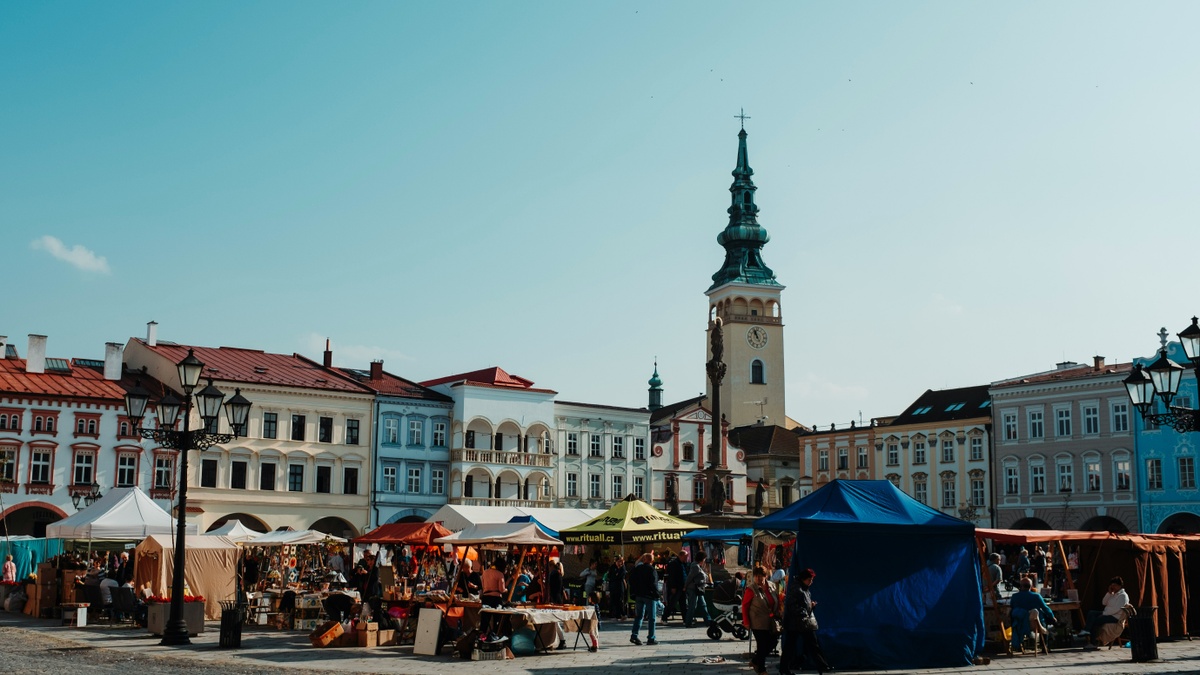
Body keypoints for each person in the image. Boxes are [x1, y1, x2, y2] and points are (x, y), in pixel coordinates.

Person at [782, 568, 831, 675]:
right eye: (809, 579)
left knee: (812, 645)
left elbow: (802, 604)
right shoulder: (797, 589)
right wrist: (806, 610)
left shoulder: (805, 589)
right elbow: (792, 606)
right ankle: (784, 669)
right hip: (796, 623)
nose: (811, 582)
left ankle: (822, 666)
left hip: (803, 622)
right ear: (803, 579)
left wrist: (810, 605)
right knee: (791, 647)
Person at [741, 566, 780, 675]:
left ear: (765, 576)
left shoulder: (771, 586)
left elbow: (775, 600)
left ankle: (755, 661)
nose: (758, 578)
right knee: (762, 645)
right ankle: (761, 669)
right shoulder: (751, 589)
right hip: (757, 622)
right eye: (756, 576)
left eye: (760, 576)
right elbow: (745, 606)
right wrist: (746, 622)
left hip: (771, 621)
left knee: (773, 642)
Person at [1008, 576, 1056, 653]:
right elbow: (1045, 608)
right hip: (1036, 625)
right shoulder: (1036, 596)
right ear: (1031, 586)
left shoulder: (1015, 597)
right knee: (1046, 620)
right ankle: (1044, 646)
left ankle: (1020, 644)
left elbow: (1012, 608)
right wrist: (1053, 617)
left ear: (1021, 586)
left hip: (1020, 624)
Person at [1081, 576, 1130, 649]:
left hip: (1115, 617)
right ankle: (1086, 630)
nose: (1113, 587)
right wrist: (1109, 593)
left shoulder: (1123, 596)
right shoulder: (1113, 594)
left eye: (1115, 586)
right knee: (1092, 613)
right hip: (1107, 613)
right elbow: (1104, 602)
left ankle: (1094, 643)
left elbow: (1116, 609)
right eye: (1112, 585)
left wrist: (1104, 614)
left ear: (1119, 586)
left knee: (1097, 620)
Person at [628, 552, 659, 646]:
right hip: (649, 596)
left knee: (639, 616)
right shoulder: (652, 569)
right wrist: (657, 594)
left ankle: (634, 635)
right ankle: (651, 638)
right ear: (652, 561)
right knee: (652, 618)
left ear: (644, 560)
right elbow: (653, 583)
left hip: (639, 595)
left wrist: (634, 592)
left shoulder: (638, 569)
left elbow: (631, 580)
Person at [684, 551, 711, 627]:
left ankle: (708, 621)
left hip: (699, 588)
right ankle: (688, 623)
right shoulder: (695, 566)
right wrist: (685, 586)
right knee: (692, 606)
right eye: (704, 559)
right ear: (701, 559)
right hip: (694, 588)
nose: (705, 560)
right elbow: (690, 577)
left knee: (703, 605)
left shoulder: (698, 566)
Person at [480, 558, 507, 635]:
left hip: (486, 598)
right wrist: (506, 590)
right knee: (497, 621)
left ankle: (482, 637)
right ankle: (495, 636)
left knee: (484, 621)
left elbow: (483, 586)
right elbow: (501, 590)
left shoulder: (485, 573)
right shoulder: (499, 574)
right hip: (496, 599)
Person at [663, 550, 688, 623]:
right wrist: (673, 587)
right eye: (685, 556)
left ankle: (685, 619)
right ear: (681, 556)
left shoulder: (683, 564)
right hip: (676, 586)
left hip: (682, 586)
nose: (686, 558)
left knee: (683, 604)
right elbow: (672, 576)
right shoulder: (673, 564)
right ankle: (664, 617)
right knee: (672, 603)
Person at [608, 555, 628, 620]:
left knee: (620, 600)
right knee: (613, 600)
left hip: (620, 585)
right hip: (613, 585)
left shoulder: (623, 568)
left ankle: (621, 613)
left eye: (621, 561)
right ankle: (614, 614)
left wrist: (617, 574)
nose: (620, 563)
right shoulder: (612, 567)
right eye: (619, 561)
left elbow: (621, 575)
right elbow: (611, 576)